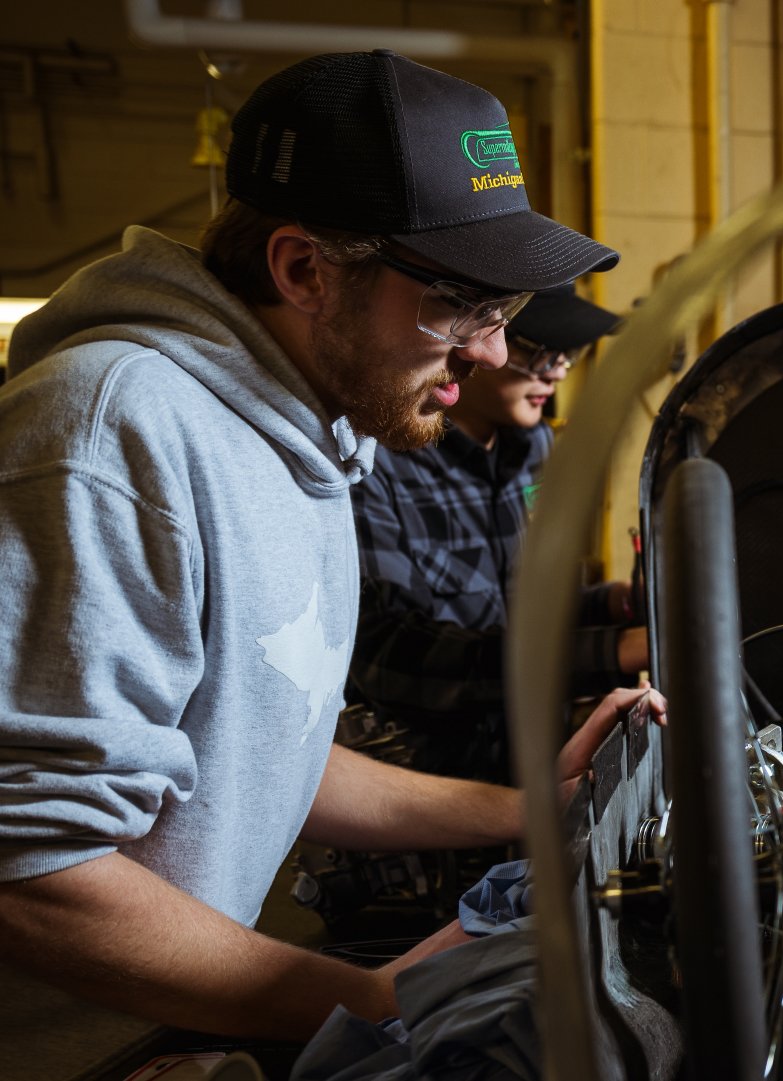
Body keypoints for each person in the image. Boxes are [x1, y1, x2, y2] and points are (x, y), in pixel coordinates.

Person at [0, 51, 654, 1072]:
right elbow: (31, 868)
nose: (489, 353)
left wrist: (537, 811)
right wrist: (366, 999)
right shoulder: (112, 431)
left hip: (187, 1034)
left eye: (503, 314)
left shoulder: (313, 437)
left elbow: (265, 750)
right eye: (463, 306)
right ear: (305, 271)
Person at [349, 286, 642, 783]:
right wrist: (614, 651)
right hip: (426, 786)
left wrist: (616, 605)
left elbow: (527, 608)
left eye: (569, 354)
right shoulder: (378, 465)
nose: (560, 370)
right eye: (541, 352)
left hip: (539, 766)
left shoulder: (536, 446)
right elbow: (391, 658)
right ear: (468, 343)